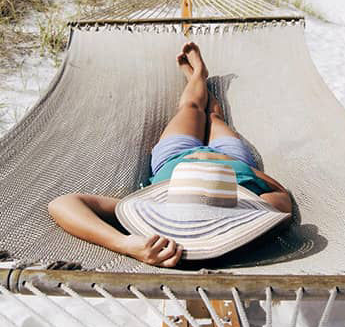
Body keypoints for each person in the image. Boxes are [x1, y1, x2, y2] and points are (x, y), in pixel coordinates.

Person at [48, 42, 292, 268]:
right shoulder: (256, 214)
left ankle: (197, 76)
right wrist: (244, 171)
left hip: (175, 158)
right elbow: (281, 195)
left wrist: (123, 244)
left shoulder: (154, 211)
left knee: (190, 108)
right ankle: (198, 78)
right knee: (214, 117)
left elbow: (62, 204)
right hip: (233, 164)